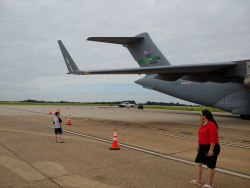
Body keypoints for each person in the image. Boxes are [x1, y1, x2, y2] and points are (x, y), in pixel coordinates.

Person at [189, 110, 220, 188]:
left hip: (211, 147)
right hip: (202, 146)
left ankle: (209, 184)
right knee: (198, 163)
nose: (199, 116)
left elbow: (214, 139)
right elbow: (201, 135)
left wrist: (211, 150)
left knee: (210, 166)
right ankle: (198, 180)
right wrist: (198, 145)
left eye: (200, 115)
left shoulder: (211, 124)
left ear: (204, 116)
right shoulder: (203, 124)